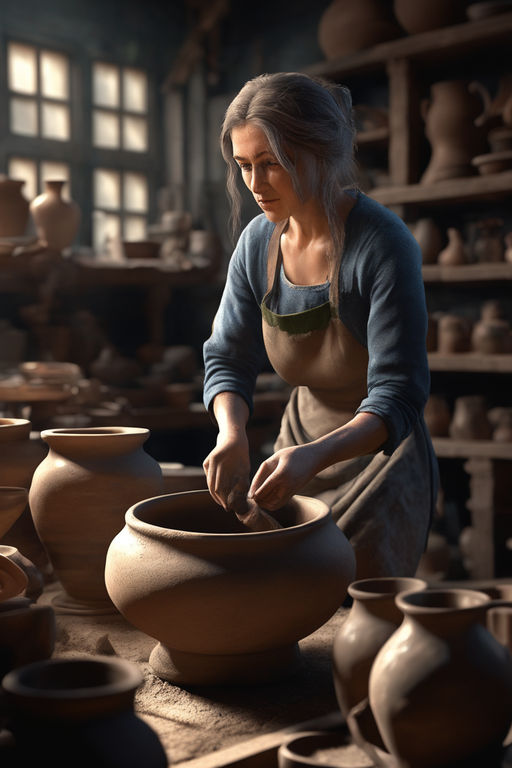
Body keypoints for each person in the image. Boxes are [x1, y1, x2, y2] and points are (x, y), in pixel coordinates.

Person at [202, 71, 439, 578]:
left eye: (272, 164)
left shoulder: (381, 244)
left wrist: (316, 457)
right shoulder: (256, 244)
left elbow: (398, 392)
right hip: (300, 441)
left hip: (378, 456)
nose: (255, 185)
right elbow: (227, 356)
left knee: (363, 629)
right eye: (244, 166)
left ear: (320, 154)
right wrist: (232, 433)